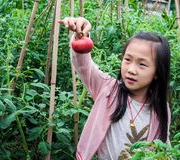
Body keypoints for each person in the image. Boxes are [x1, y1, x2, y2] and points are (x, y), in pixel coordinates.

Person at [59, 17, 172, 160]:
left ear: (157, 72)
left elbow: (163, 146)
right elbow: (84, 66)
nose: (131, 70)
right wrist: (80, 36)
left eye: (142, 64)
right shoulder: (109, 89)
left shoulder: (160, 109)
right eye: (127, 59)